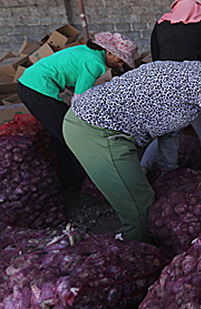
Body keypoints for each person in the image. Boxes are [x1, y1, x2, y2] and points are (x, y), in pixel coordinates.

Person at [63, 41, 201, 243]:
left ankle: (133, 243)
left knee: (141, 199)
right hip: (94, 128)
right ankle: (139, 258)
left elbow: (169, 132)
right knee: (139, 206)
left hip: (92, 123)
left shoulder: (185, 71)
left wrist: (168, 173)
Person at [17, 32, 137, 190]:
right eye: (119, 59)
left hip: (30, 84)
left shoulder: (87, 51)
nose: (120, 64)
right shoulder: (94, 62)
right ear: (108, 52)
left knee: (61, 134)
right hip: (36, 89)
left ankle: (70, 180)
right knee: (70, 136)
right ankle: (76, 181)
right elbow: (80, 99)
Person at [144, 0, 201, 176]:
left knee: (167, 134)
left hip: (165, 86)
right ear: (199, 4)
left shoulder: (161, 24)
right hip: (195, 86)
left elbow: (156, 58)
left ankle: (152, 170)